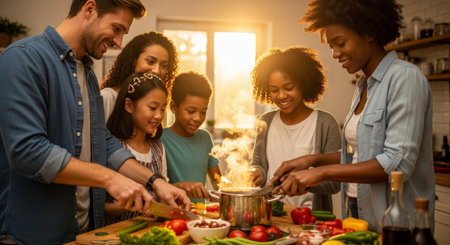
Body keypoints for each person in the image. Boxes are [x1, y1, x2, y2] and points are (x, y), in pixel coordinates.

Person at [0, 1, 189, 244]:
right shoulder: (24, 59)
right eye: (116, 28)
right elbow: (27, 151)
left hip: (83, 231)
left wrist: (155, 181)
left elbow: (103, 141)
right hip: (31, 235)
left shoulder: (87, 74)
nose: (119, 43)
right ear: (89, 9)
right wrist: (109, 178)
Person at [271, 0, 435, 233]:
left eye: (340, 43)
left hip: (395, 223)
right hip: (356, 211)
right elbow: (362, 153)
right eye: (331, 46)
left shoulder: (405, 78)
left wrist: (320, 172)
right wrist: (311, 160)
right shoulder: (363, 85)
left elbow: (397, 163)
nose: (335, 54)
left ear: (369, 33)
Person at [250, 47, 341, 211]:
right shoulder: (266, 121)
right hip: (271, 215)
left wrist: (303, 182)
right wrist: (256, 172)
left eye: (289, 87)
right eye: (274, 90)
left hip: (311, 220)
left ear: (303, 84)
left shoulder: (325, 123)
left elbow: (334, 184)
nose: (281, 95)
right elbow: (259, 165)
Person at [105, 72, 169, 223]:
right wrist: (131, 204)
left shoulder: (158, 148)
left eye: (162, 109)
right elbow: (99, 210)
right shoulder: (112, 148)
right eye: (153, 108)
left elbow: (162, 196)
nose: (159, 116)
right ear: (129, 105)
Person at [161, 71, 221, 203]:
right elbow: (155, 188)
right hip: (171, 216)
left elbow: (218, 181)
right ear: (173, 107)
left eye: (203, 112)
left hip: (199, 217)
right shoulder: (160, 140)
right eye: (191, 111)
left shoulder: (205, 138)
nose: (198, 118)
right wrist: (182, 187)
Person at [101, 31, 178, 120]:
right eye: (150, 61)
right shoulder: (108, 98)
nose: (157, 71)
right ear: (134, 60)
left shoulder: (156, 106)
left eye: (164, 66)